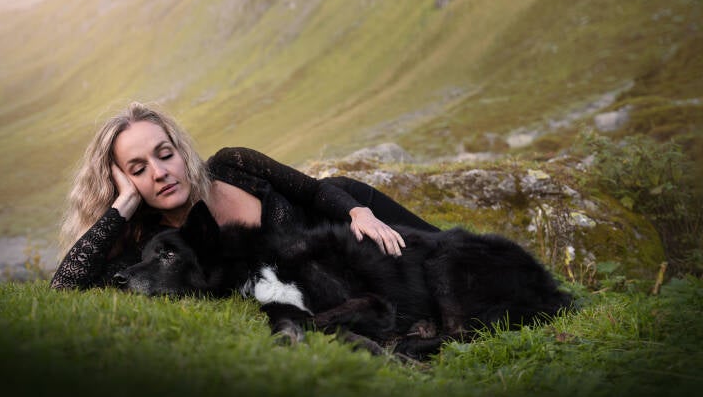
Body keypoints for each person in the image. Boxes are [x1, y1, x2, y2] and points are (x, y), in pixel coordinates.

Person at [50, 102, 440, 290]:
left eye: (165, 154)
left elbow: (314, 190)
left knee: (445, 249)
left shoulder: (234, 164)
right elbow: (64, 289)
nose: (160, 172)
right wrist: (120, 208)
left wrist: (360, 213)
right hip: (338, 276)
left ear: (181, 152)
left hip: (347, 217)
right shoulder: (156, 246)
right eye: (138, 170)